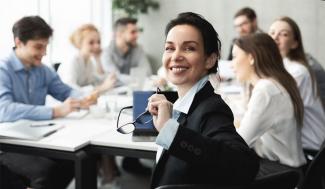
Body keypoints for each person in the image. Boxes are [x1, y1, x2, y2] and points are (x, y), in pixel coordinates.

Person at [147, 12, 259, 188]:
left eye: (189, 48)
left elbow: (243, 165)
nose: (176, 56)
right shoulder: (182, 106)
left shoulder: (211, 109)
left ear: (210, 60)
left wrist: (170, 131)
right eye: (169, 48)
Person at [0, 16, 96, 189]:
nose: (44, 52)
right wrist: (55, 111)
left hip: (38, 138)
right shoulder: (3, 69)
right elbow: (4, 110)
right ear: (19, 42)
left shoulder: (43, 70)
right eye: (38, 46)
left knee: (78, 159)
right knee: (45, 171)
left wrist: (82, 98)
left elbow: (65, 91)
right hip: (8, 144)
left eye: (45, 46)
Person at [233, 33, 306, 175]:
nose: (232, 63)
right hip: (288, 170)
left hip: (279, 173)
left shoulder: (266, 89)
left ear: (251, 58)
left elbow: (240, 143)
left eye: (235, 56)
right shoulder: (277, 82)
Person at [269, 17, 325, 153]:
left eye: (284, 34)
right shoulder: (279, 67)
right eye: (272, 33)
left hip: (308, 148)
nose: (275, 37)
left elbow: (274, 113)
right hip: (292, 143)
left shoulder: (297, 72)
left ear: (294, 43)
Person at [58, 24, 116, 95]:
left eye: (98, 42)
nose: (97, 46)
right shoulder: (72, 60)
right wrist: (102, 88)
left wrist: (98, 60)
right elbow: (71, 89)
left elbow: (96, 81)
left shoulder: (89, 61)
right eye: (91, 43)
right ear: (79, 44)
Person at [101, 17, 152, 86]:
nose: (137, 35)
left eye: (137, 32)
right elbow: (115, 78)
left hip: (133, 90)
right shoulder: (107, 52)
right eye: (133, 32)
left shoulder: (138, 49)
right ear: (119, 33)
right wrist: (137, 79)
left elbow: (147, 73)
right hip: (112, 94)